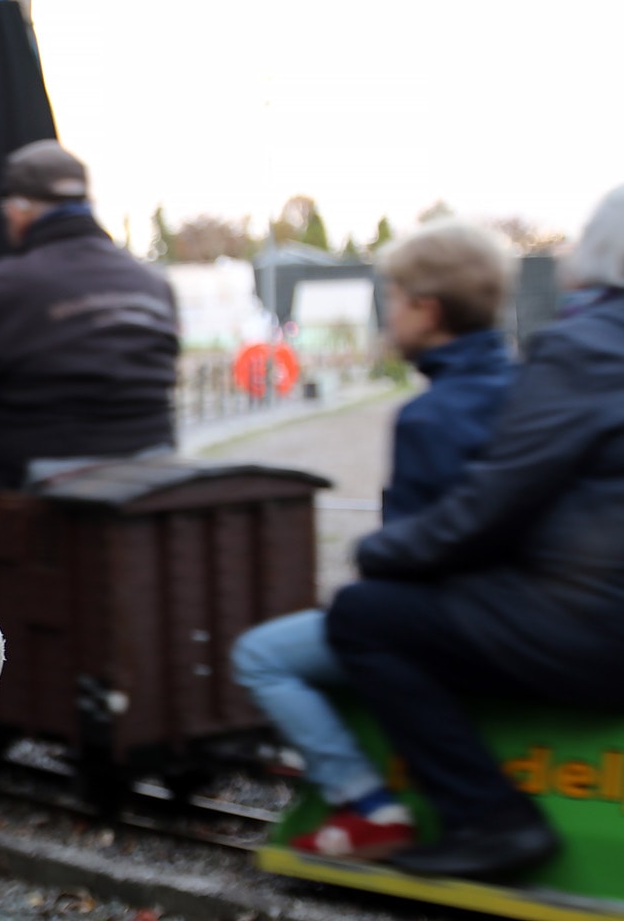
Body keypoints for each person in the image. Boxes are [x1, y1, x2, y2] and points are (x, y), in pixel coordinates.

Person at [325, 184, 624, 879]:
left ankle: (492, 820)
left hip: (601, 634)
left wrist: (379, 551)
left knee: (366, 617)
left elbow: (496, 501)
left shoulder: (588, 348)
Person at [232, 219, 516, 859]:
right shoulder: (524, 388)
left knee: (263, 655)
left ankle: (365, 803)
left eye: (392, 298)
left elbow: (418, 555)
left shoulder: (431, 416)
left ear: (427, 309)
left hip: (457, 619)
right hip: (512, 606)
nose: (387, 314)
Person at [0, 138, 179, 490]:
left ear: (19, 207)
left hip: (35, 469)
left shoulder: (3, 288)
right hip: (150, 457)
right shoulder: (153, 283)